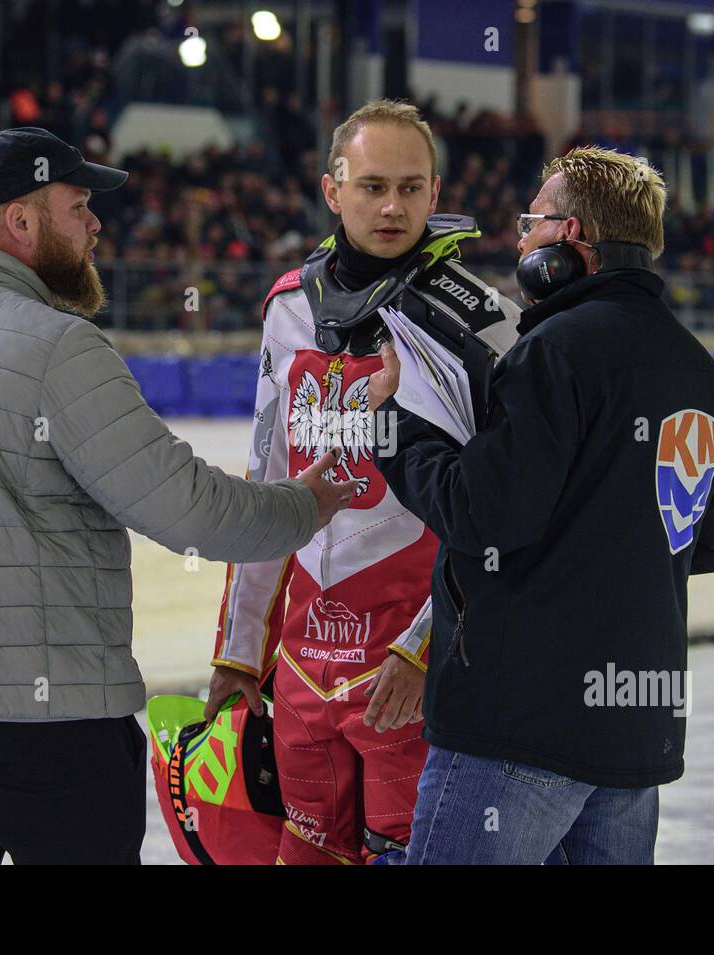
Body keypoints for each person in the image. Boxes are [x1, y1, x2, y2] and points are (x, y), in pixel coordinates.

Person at [0, 127, 357, 865]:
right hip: (52, 728)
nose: (96, 226)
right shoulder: (58, 346)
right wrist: (306, 504)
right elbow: (187, 507)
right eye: (79, 205)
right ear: (21, 221)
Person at [369, 146, 714, 865]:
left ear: (570, 238)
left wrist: (395, 427)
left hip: (520, 725)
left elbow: (483, 515)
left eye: (530, 222)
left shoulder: (552, 350)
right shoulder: (698, 367)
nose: (518, 239)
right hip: (636, 736)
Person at [205, 100, 518, 864]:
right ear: (331, 190)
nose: (392, 206)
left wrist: (425, 649)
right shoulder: (286, 308)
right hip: (306, 667)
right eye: (373, 185)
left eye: (412, 188)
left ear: (437, 195)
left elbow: (502, 510)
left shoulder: (483, 324)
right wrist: (239, 648)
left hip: (411, 677)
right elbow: (268, 479)